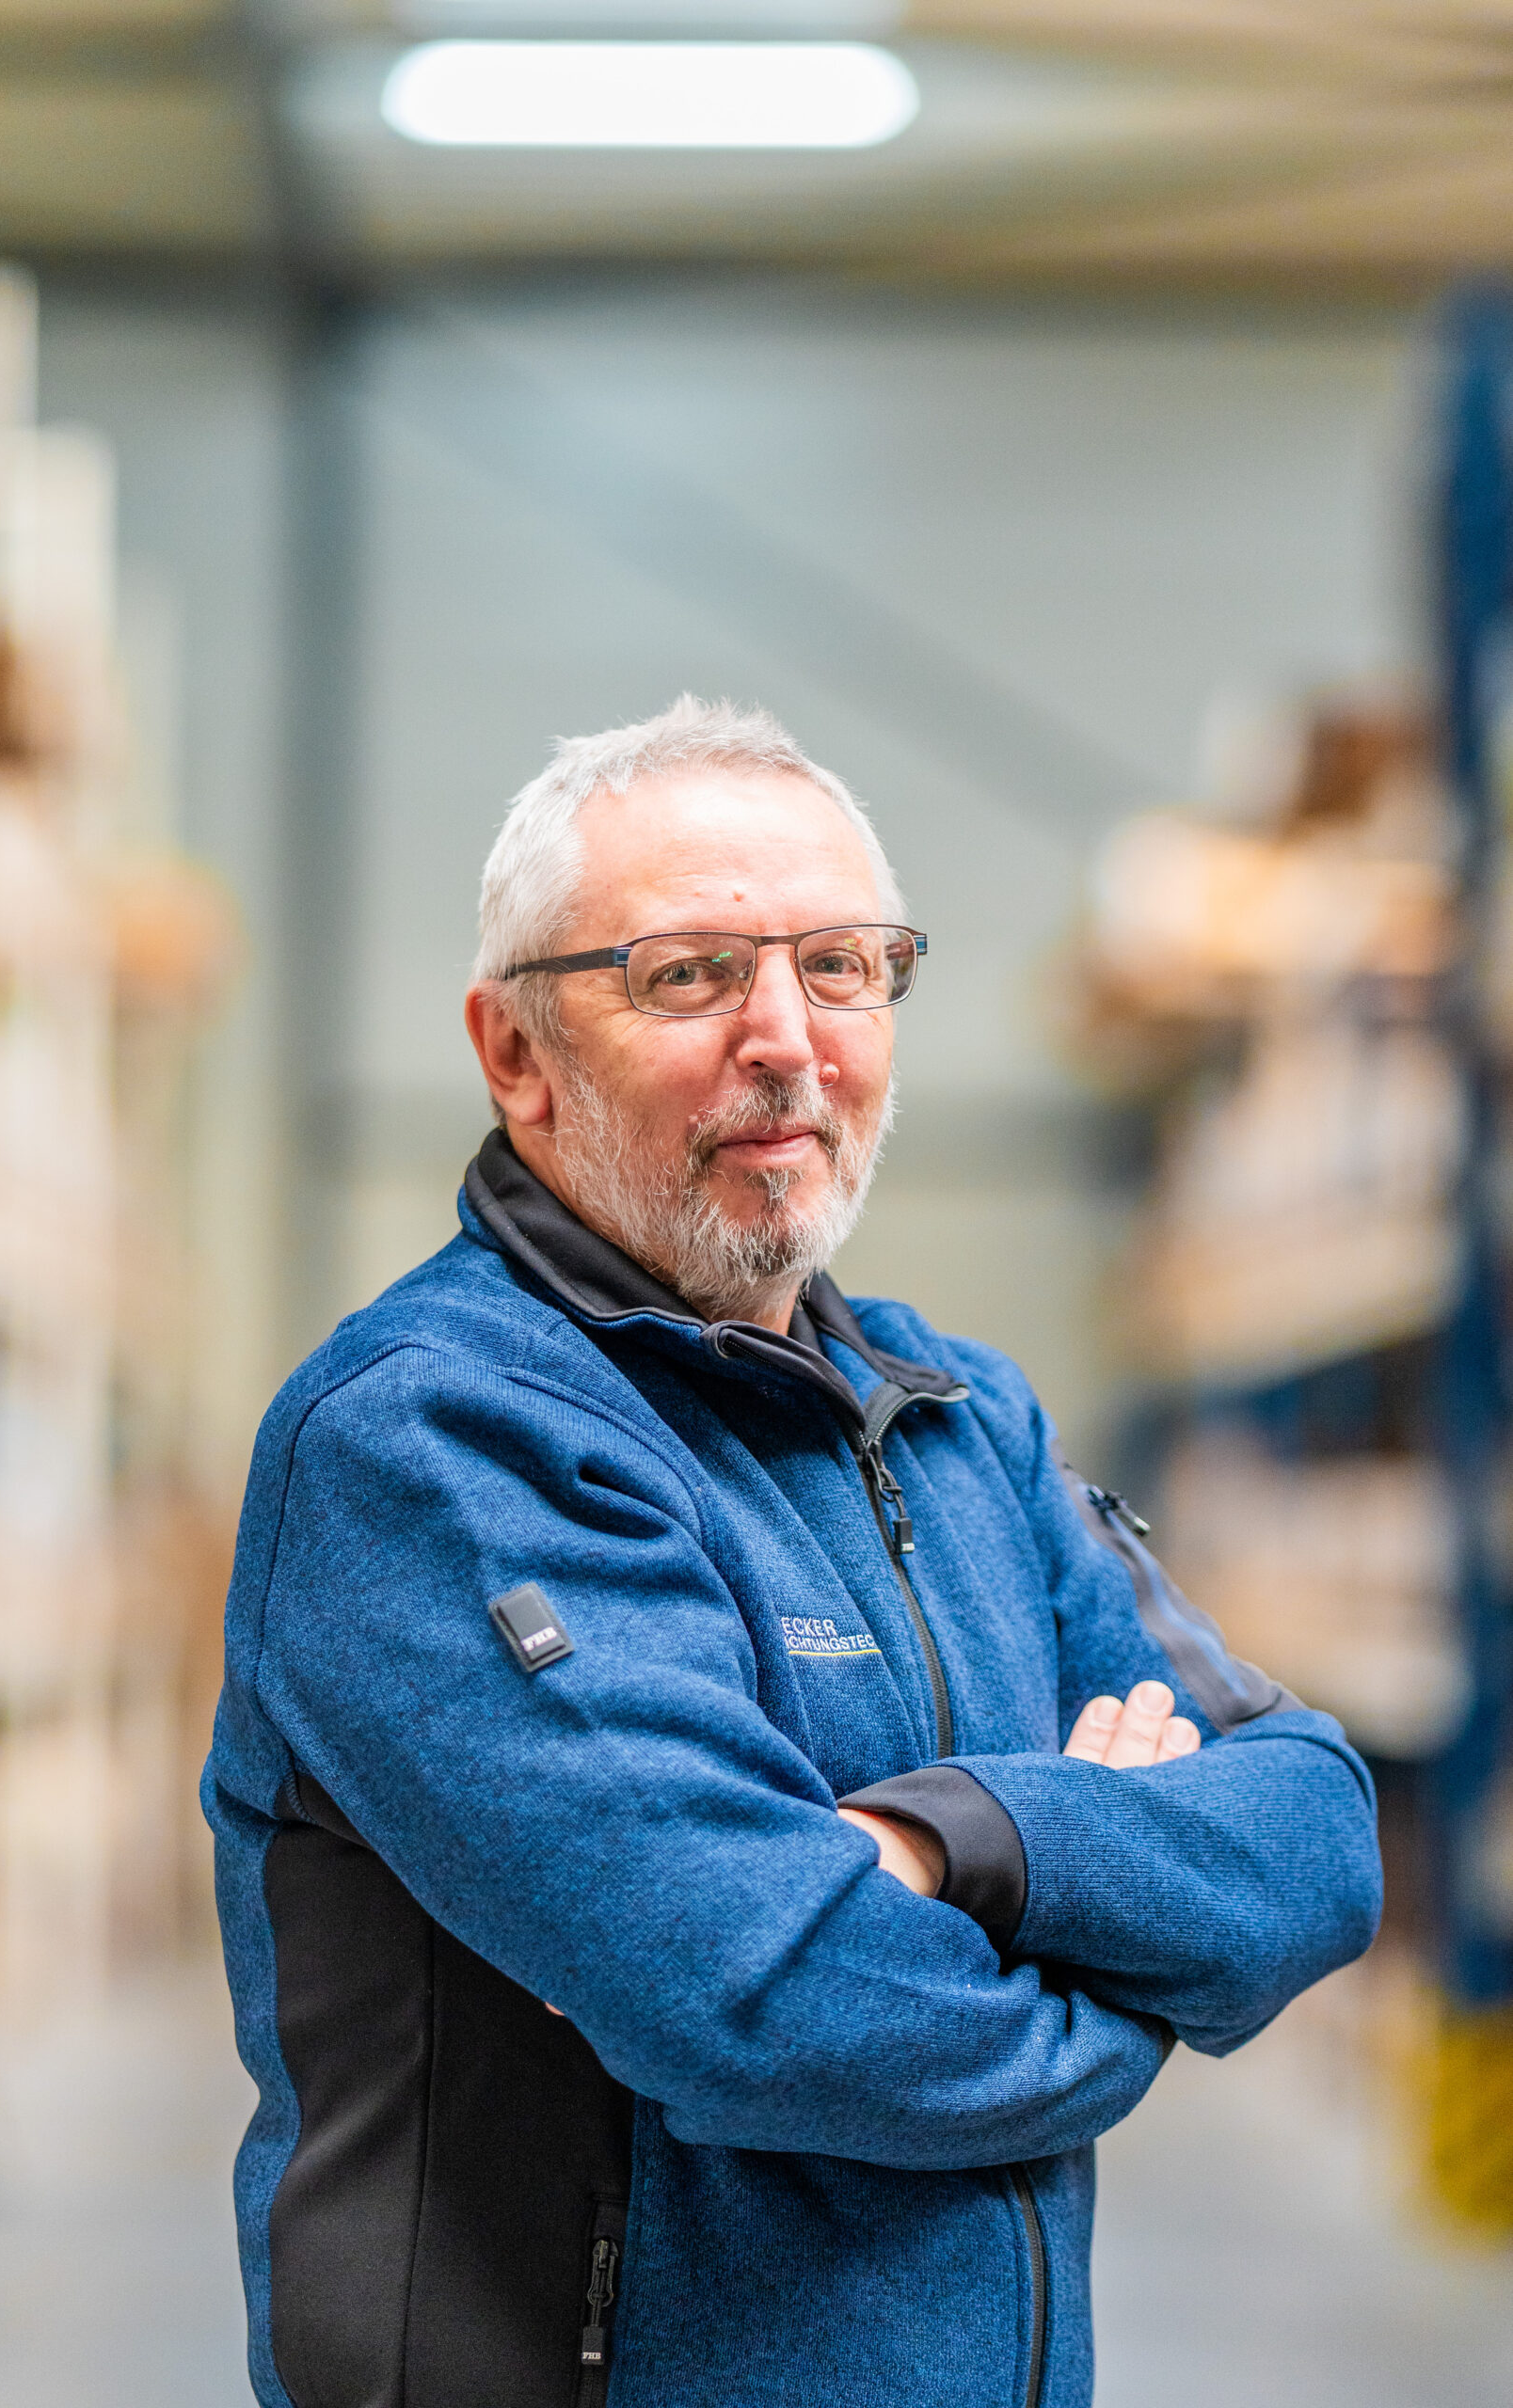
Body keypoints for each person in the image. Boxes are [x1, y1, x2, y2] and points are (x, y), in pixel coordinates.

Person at [205, 695, 1382, 2408]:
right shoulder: (434, 1440)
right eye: (687, 973)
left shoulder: (960, 1414)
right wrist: (1142, 1968)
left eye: (843, 965)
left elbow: (1318, 1826)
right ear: (515, 1052)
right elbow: (770, 1997)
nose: (789, 1037)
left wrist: (956, 1836)